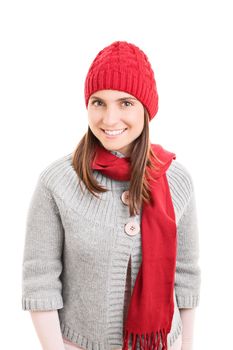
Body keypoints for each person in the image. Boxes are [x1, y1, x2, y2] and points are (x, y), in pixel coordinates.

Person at [21, 40, 201, 350]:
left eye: (125, 103)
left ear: (146, 109)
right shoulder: (56, 183)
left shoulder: (177, 179)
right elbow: (40, 282)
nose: (109, 119)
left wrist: (186, 345)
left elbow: (185, 274)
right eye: (98, 102)